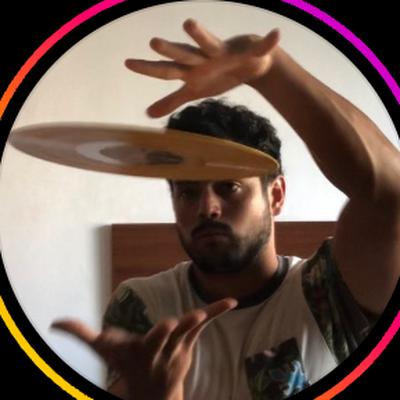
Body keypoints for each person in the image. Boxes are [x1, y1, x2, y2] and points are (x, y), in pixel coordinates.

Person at [52, 19, 400, 400]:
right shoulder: (144, 304)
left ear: (276, 196)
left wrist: (271, 72)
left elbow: (389, 194)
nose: (207, 208)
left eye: (229, 187)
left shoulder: (330, 290)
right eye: (187, 192)